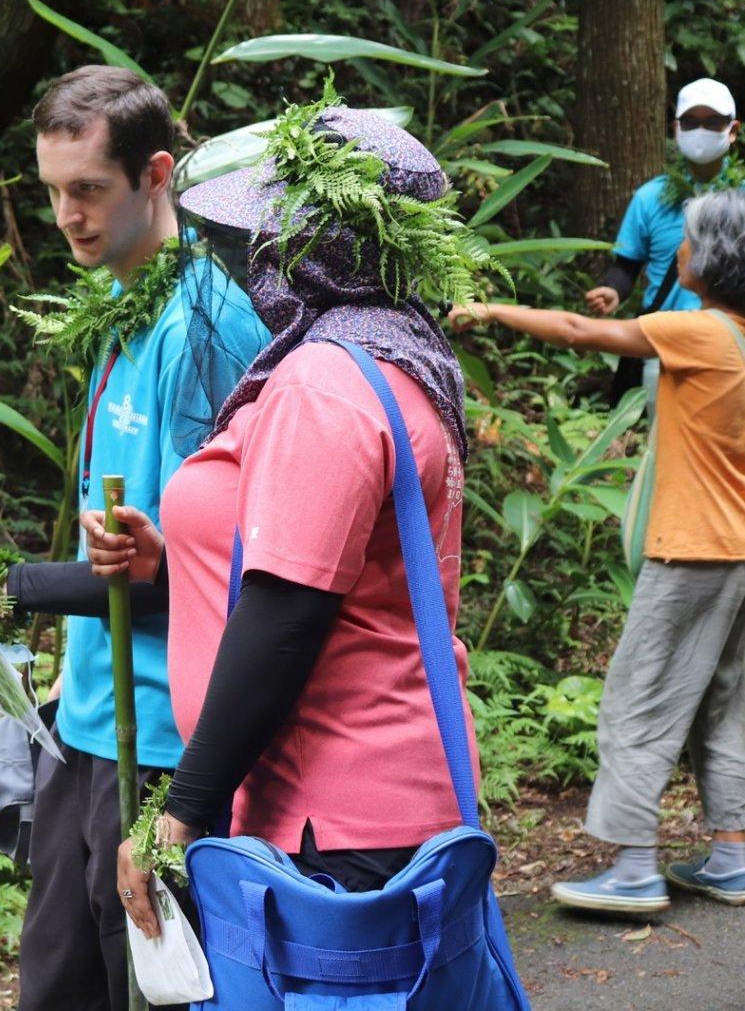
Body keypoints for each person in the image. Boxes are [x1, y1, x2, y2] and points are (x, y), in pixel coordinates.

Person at [81, 91, 497, 926]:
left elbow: (288, 611)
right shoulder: (399, 353)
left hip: (332, 817)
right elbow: (339, 554)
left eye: (263, 234)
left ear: (309, 248)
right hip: (371, 804)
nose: (245, 256)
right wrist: (183, 558)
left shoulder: (323, 380)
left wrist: (180, 812)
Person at [0, 65, 269, 1011]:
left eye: (88, 190)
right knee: (56, 984)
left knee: (145, 990)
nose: (66, 216)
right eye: (52, 192)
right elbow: (114, 559)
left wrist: (8, 591)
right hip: (86, 720)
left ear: (155, 174)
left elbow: (201, 575)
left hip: (163, 736)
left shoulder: (204, 325)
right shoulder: (118, 315)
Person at [451, 190, 745, 914]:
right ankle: (731, 856)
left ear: (711, 257)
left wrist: (489, 312)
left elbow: (581, 329)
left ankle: (635, 866)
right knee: (727, 704)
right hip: (738, 552)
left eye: (686, 241)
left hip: (693, 550)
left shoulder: (701, 331)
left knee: (637, 699)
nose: (677, 251)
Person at [586, 78, 740, 406]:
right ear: (676, 129)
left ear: (733, 129)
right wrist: (613, 290)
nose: (701, 130)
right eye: (691, 122)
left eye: (713, 121)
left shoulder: (740, 198)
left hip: (733, 347)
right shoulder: (650, 197)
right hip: (665, 345)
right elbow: (627, 263)